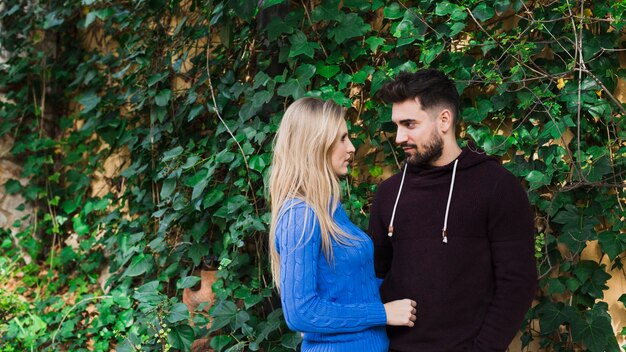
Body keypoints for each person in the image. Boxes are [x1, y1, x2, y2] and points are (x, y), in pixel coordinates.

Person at [369, 69, 537, 352]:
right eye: (397, 125)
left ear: (444, 119)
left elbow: (517, 284)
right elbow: (374, 274)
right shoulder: (388, 194)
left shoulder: (497, 187)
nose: (399, 137)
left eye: (410, 124)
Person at [268, 97, 417, 352]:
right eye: (342, 138)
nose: (351, 148)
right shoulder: (300, 215)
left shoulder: (330, 209)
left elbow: (352, 286)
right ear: (314, 144)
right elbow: (300, 313)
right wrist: (382, 313)